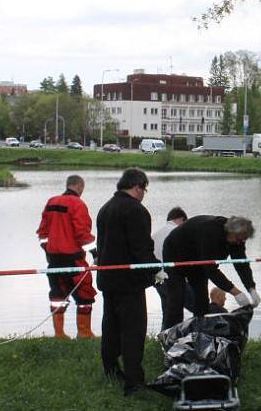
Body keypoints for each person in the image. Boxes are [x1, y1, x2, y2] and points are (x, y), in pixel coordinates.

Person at [96, 168, 160, 396]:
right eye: (145, 189)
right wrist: (157, 269)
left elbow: (102, 245)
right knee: (133, 331)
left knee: (111, 327)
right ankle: (134, 382)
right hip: (129, 283)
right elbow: (141, 249)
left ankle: (111, 370)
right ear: (138, 186)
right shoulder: (136, 211)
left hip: (107, 279)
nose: (144, 194)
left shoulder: (105, 208)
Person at [162, 215, 260, 329]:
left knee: (202, 298)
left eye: (243, 240)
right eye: (238, 239)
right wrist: (236, 292)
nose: (239, 243)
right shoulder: (211, 232)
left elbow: (241, 264)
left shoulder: (236, 239)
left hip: (198, 258)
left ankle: (200, 333)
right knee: (176, 298)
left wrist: (251, 288)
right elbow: (211, 270)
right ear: (231, 231)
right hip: (175, 254)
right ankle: (170, 335)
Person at [36, 174, 97, 339]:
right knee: (85, 294)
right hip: (74, 260)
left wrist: (49, 249)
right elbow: (82, 233)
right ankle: (84, 332)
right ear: (79, 187)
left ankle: (59, 333)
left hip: (53, 260)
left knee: (57, 296)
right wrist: (95, 253)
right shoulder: (78, 204)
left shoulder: (51, 202)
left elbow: (42, 233)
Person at [151, 206, 193, 324]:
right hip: (175, 279)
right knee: (198, 306)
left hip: (158, 279)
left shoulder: (156, 234)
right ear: (181, 219)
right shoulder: (180, 232)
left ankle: (166, 338)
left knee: (168, 312)